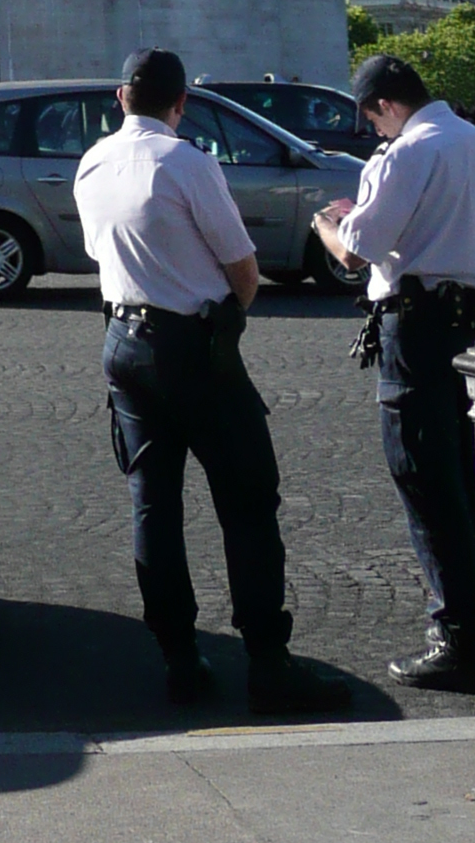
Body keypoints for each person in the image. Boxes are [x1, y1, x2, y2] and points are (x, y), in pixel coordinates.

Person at [75, 48, 349, 718]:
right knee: (249, 501)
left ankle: (178, 657)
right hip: (192, 347)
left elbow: (95, 249)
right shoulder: (187, 162)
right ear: (181, 103)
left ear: (120, 97)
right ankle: (267, 661)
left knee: (154, 506)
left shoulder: (92, 162)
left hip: (122, 343)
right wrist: (225, 319)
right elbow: (242, 266)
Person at [312, 55, 475, 694]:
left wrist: (330, 221)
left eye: (374, 121)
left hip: (422, 329)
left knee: (427, 483)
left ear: (385, 107)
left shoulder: (404, 154)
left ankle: (456, 640)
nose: (375, 134)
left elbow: (357, 252)